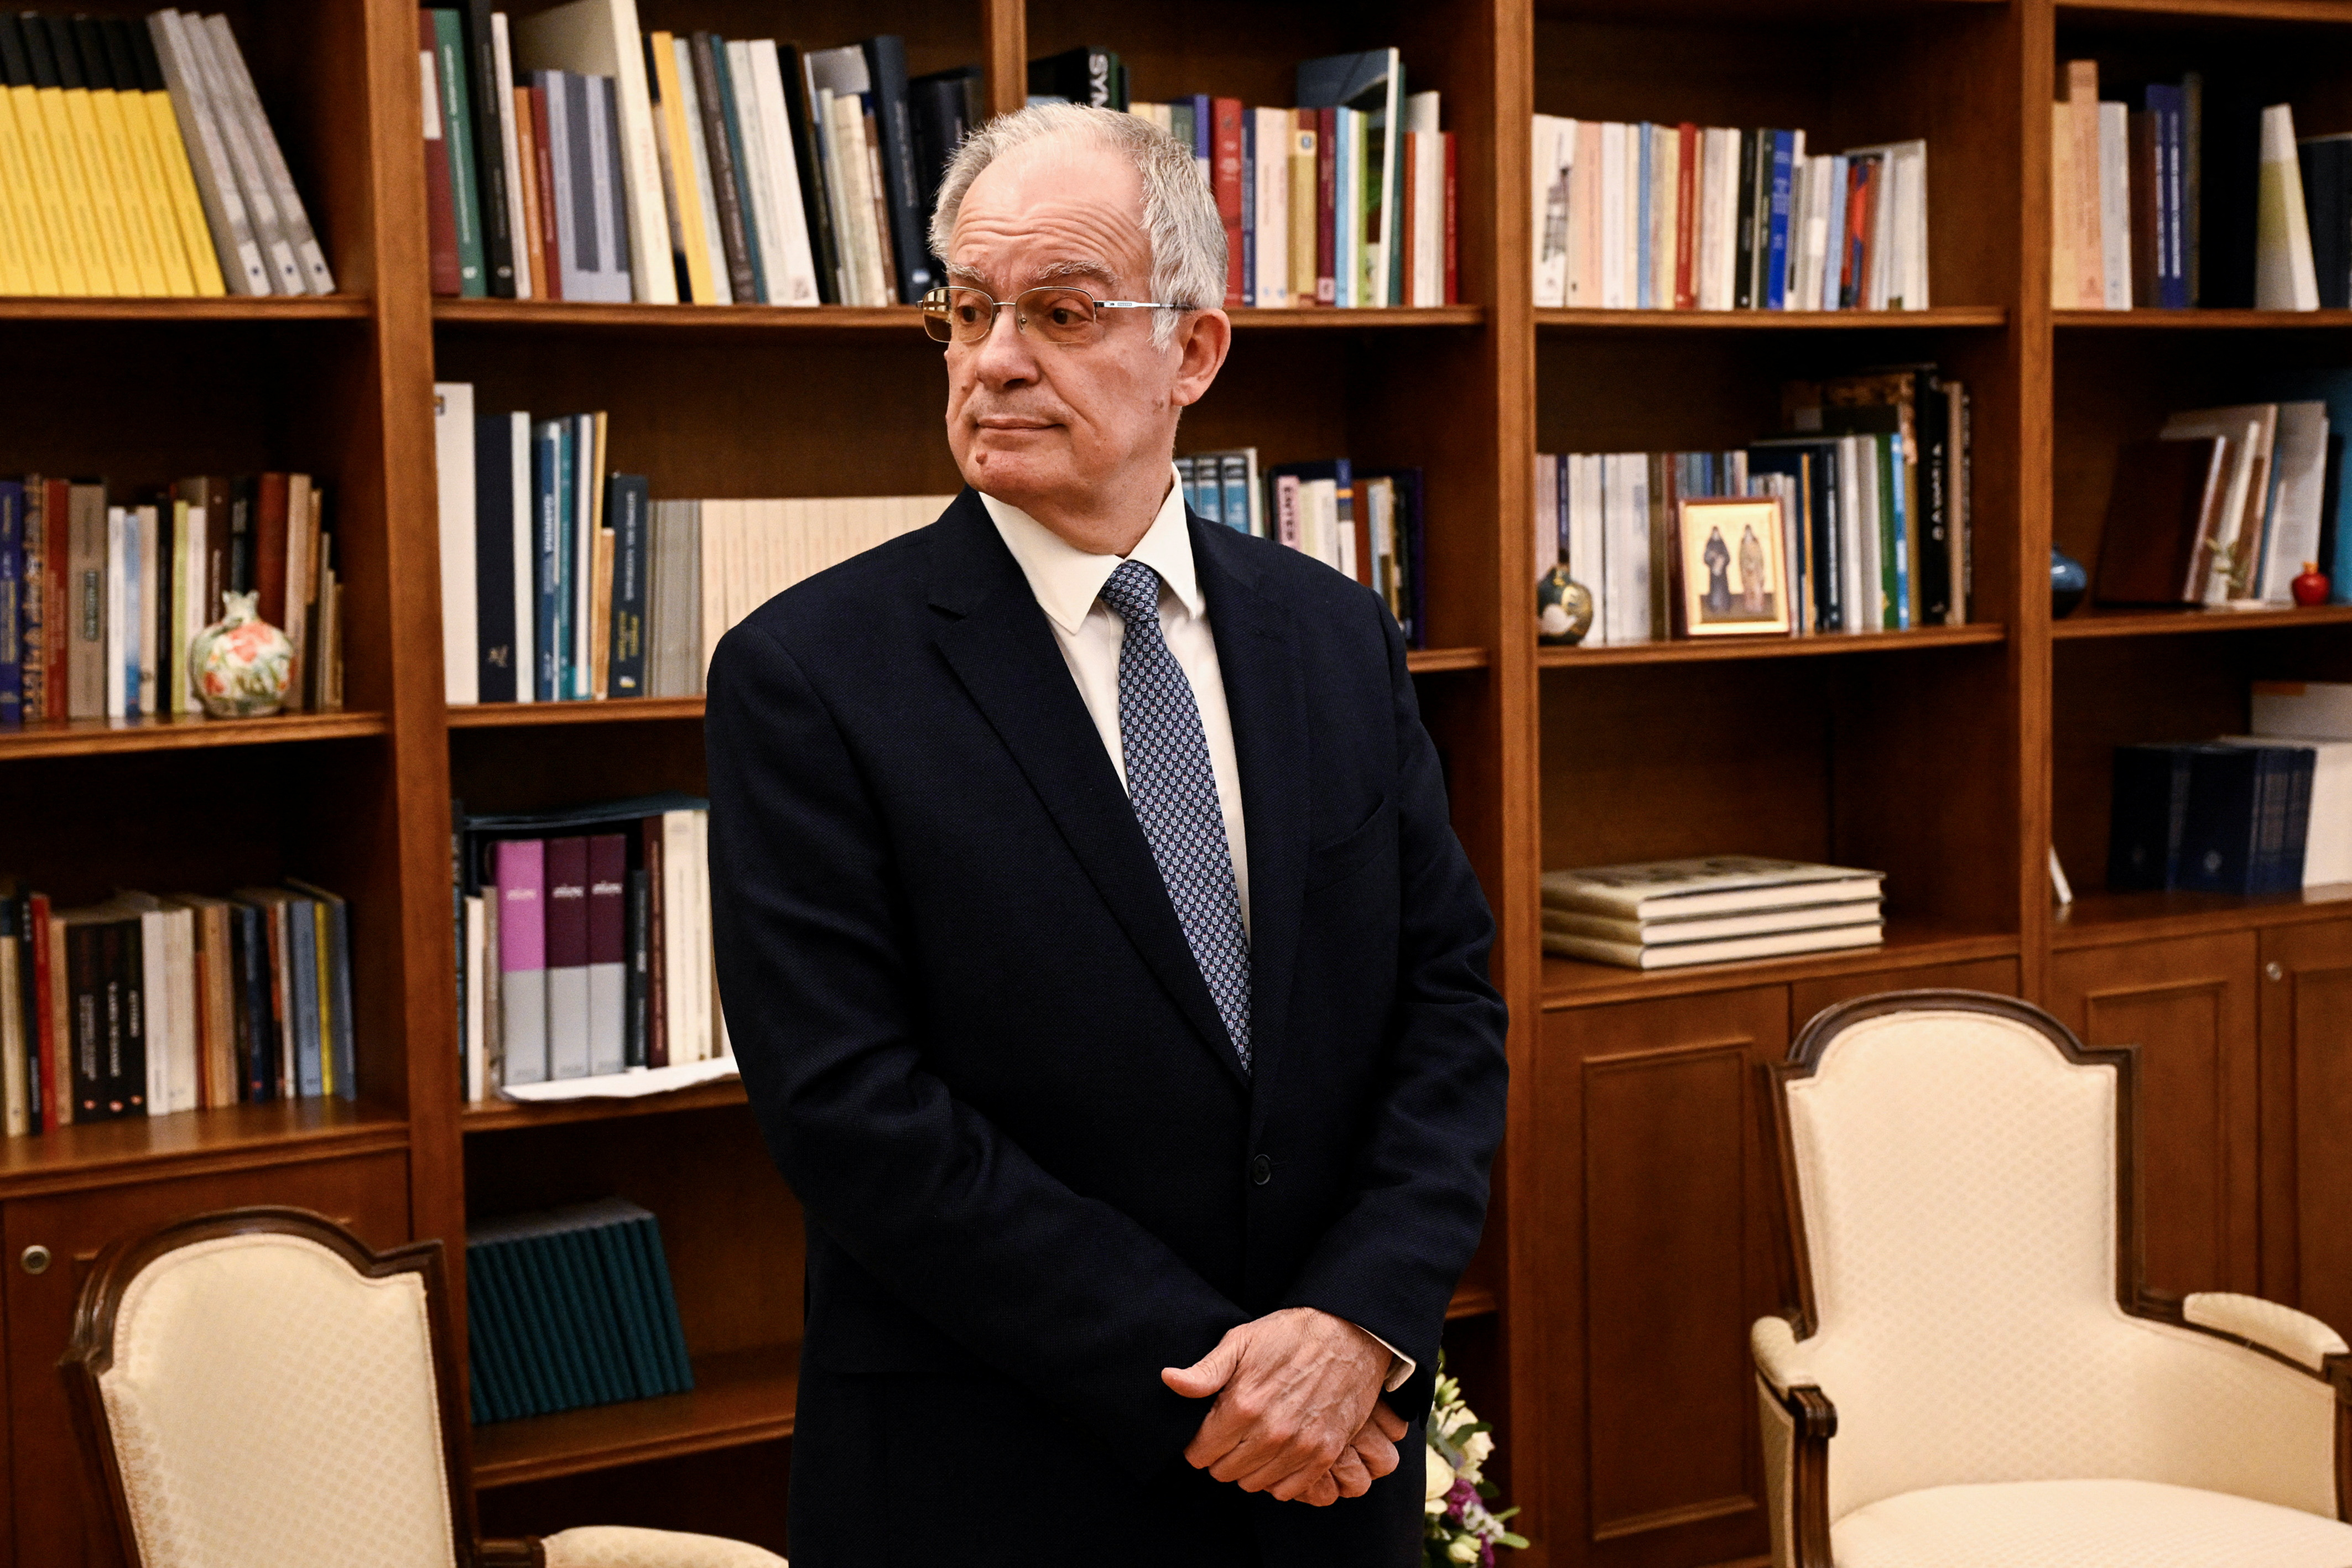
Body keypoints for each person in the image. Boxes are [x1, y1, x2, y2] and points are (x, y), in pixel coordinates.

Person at [705, 103, 1509, 1568]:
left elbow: (1445, 1002)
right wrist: (1214, 1384)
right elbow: (850, 1108)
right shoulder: (808, 673)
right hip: (994, 1471)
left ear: (1193, 350)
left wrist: (1353, 1326)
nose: (996, 356)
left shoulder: (1331, 635)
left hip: (1333, 1463)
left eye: (1061, 311)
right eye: (965, 309)